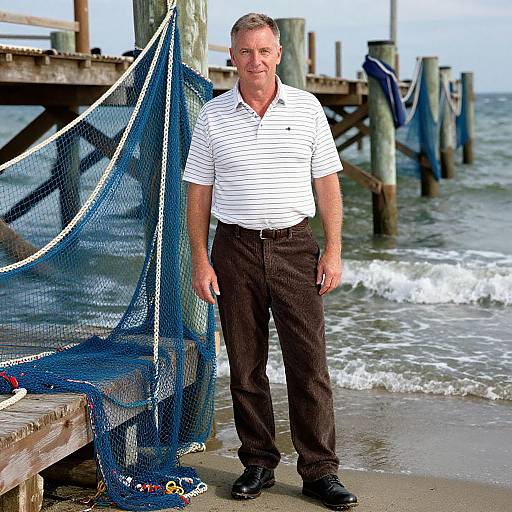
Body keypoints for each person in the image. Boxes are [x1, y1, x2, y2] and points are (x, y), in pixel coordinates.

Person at [183, 13, 358, 511]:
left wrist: (334, 249)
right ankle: (258, 462)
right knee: (244, 364)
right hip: (233, 249)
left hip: (295, 247)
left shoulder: (306, 109)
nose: (254, 60)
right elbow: (198, 194)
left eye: (264, 51)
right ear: (232, 57)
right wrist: (200, 260)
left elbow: (327, 184)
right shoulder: (213, 116)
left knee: (309, 365)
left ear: (278, 54)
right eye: (244, 51)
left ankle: (320, 472)